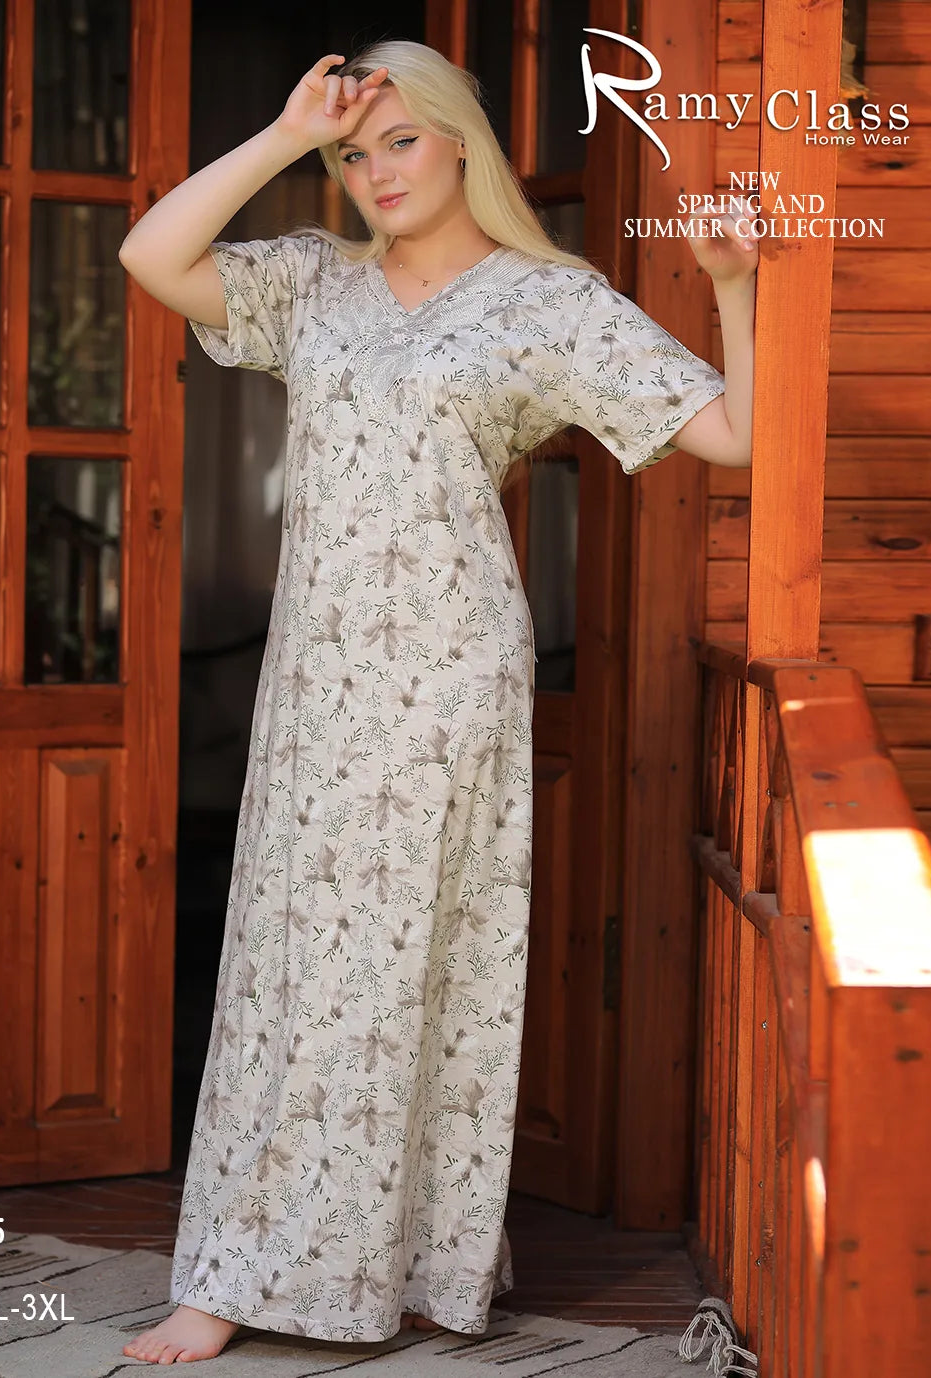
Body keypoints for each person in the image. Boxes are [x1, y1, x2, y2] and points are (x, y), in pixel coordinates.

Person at [117, 37, 757, 1366]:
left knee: (425, 963)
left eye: (396, 140)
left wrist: (735, 291)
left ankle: (404, 1261)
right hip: (318, 683)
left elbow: (729, 436)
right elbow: (151, 256)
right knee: (291, 962)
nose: (372, 172)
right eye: (353, 155)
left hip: (451, 674)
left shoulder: (546, 302)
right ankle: (231, 1271)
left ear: (462, 139)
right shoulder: (311, 281)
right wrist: (292, 134)